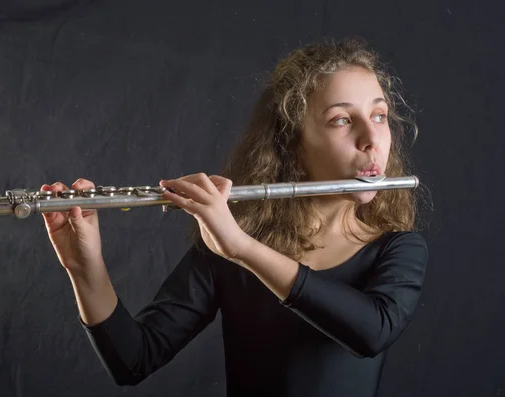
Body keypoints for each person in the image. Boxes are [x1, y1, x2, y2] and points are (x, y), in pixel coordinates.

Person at [40, 37, 428, 397]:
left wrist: (243, 248)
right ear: (291, 142)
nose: (372, 138)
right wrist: (83, 264)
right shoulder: (225, 242)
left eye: (379, 116)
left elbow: (373, 332)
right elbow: (134, 360)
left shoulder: (396, 249)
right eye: (342, 120)